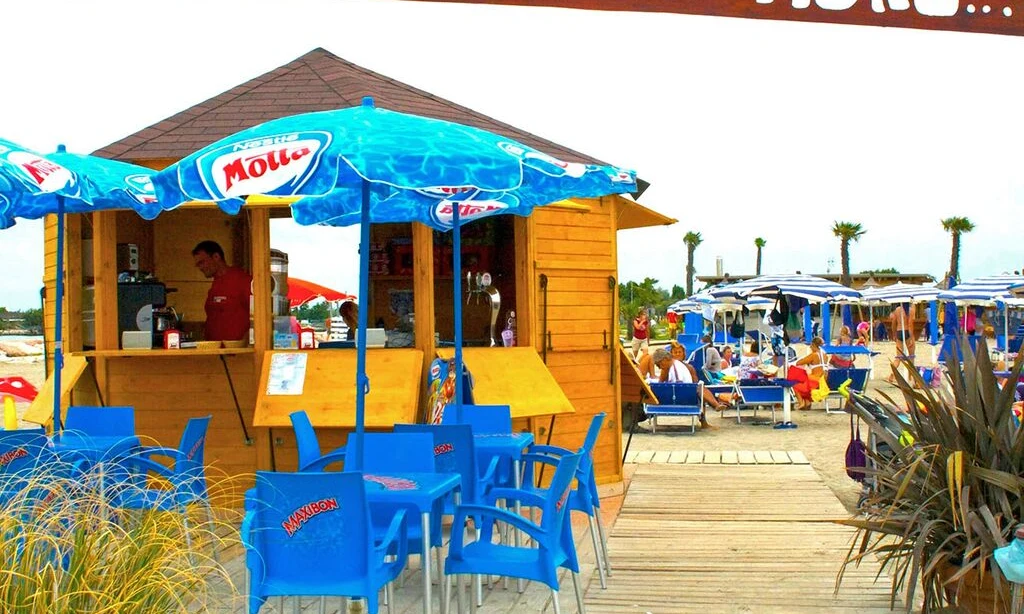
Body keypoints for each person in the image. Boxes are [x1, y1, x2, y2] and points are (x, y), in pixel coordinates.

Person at [192, 240, 251, 342]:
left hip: (236, 353)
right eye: (198, 265)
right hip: (214, 351)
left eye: (202, 262)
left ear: (216, 257)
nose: (200, 268)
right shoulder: (215, 284)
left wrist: (247, 343)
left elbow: (259, 315)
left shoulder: (241, 280)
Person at [651, 348, 718, 428]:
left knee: (699, 391)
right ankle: (711, 411)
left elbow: (678, 387)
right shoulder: (677, 365)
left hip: (679, 399)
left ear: (665, 359)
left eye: (659, 364)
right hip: (687, 397)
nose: (659, 367)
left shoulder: (675, 369)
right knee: (700, 390)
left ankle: (714, 405)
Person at [790, 336, 828, 410]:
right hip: (823, 380)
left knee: (795, 382)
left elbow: (799, 362)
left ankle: (801, 402)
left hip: (816, 380)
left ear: (814, 345)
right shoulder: (825, 355)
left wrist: (807, 361)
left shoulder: (814, 355)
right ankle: (807, 402)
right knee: (804, 382)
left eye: (811, 346)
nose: (810, 347)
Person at [888, 302, 916, 383]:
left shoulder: (897, 310)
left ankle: (892, 374)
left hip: (899, 331)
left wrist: (894, 334)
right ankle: (911, 376)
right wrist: (911, 338)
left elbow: (894, 323)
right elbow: (910, 324)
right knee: (911, 356)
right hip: (907, 331)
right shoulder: (911, 310)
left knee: (898, 357)